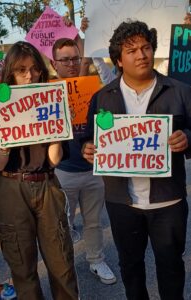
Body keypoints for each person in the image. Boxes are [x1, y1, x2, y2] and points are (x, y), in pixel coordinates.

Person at [82, 20, 191, 300]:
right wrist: (88, 148)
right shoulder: (102, 98)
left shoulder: (179, 91)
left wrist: (187, 137)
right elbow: (88, 137)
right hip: (122, 203)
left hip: (168, 202)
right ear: (118, 59)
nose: (141, 54)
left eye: (146, 47)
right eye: (131, 50)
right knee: (130, 268)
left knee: (171, 268)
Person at [0, 41, 79, 300]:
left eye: (34, 69)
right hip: (11, 187)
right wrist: (2, 137)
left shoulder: (51, 102)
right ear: (10, 73)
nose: (29, 75)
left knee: (61, 261)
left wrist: (60, 129)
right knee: (22, 265)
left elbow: (55, 159)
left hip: (47, 183)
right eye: (21, 70)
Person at [51, 38, 116, 285]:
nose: (71, 64)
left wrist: (93, 54)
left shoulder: (96, 88)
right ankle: (64, 265)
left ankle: (96, 260)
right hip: (63, 171)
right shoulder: (47, 91)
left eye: (75, 58)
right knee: (62, 223)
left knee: (93, 221)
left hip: (93, 170)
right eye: (65, 59)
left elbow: (112, 82)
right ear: (53, 63)